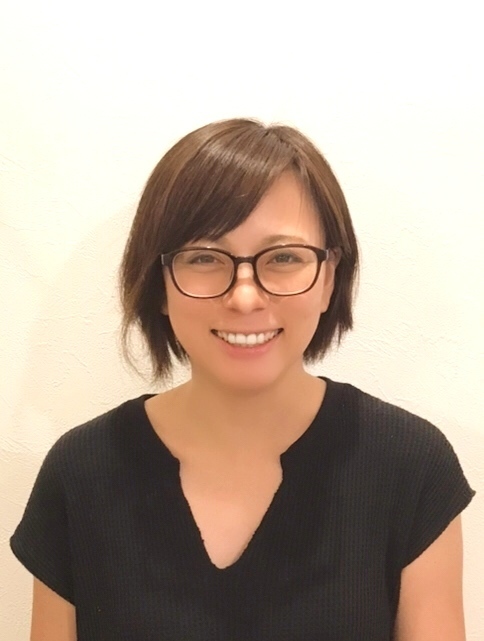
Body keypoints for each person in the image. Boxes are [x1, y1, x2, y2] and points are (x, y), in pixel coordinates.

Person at [11, 118, 475, 641]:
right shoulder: (81, 473)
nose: (245, 296)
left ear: (329, 278)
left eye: (284, 257)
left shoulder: (410, 467)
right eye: (204, 258)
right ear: (159, 284)